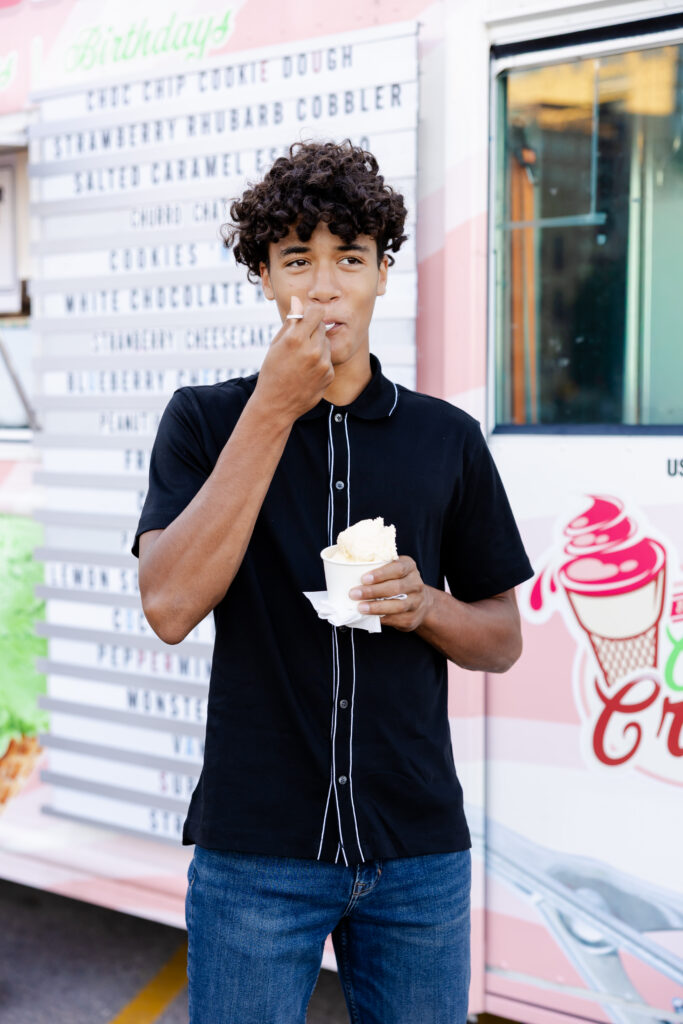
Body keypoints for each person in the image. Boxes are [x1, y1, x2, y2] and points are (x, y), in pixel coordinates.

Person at [132, 139, 534, 1024]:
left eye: (348, 258)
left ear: (383, 274)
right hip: (255, 855)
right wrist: (274, 407)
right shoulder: (204, 421)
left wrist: (425, 605)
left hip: (417, 853)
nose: (322, 287)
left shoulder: (445, 439)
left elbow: (502, 640)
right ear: (264, 279)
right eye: (295, 261)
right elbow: (167, 605)